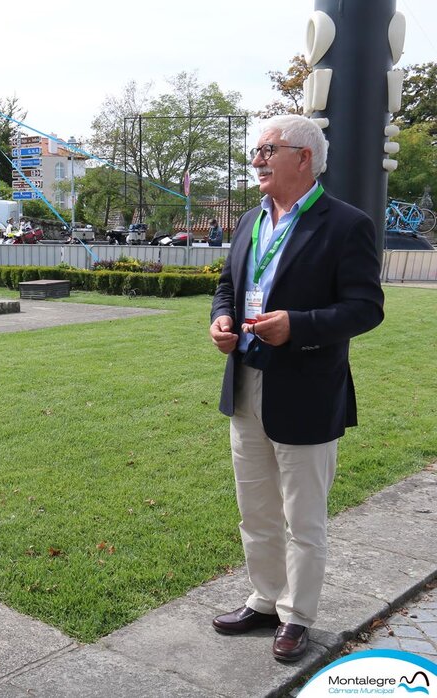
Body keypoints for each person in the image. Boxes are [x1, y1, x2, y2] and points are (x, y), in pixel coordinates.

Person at [208, 115, 384, 663]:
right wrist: (221, 321)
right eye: (255, 150)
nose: (256, 159)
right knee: (255, 508)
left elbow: (365, 308)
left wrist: (299, 326)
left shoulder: (346, 224)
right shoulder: (249, 220)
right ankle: (264, 599)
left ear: (303, 157)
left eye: (267, 150)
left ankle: (296, 616)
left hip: (306, 389)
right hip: (247, 383)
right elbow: (227, 286)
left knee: (303, 517)